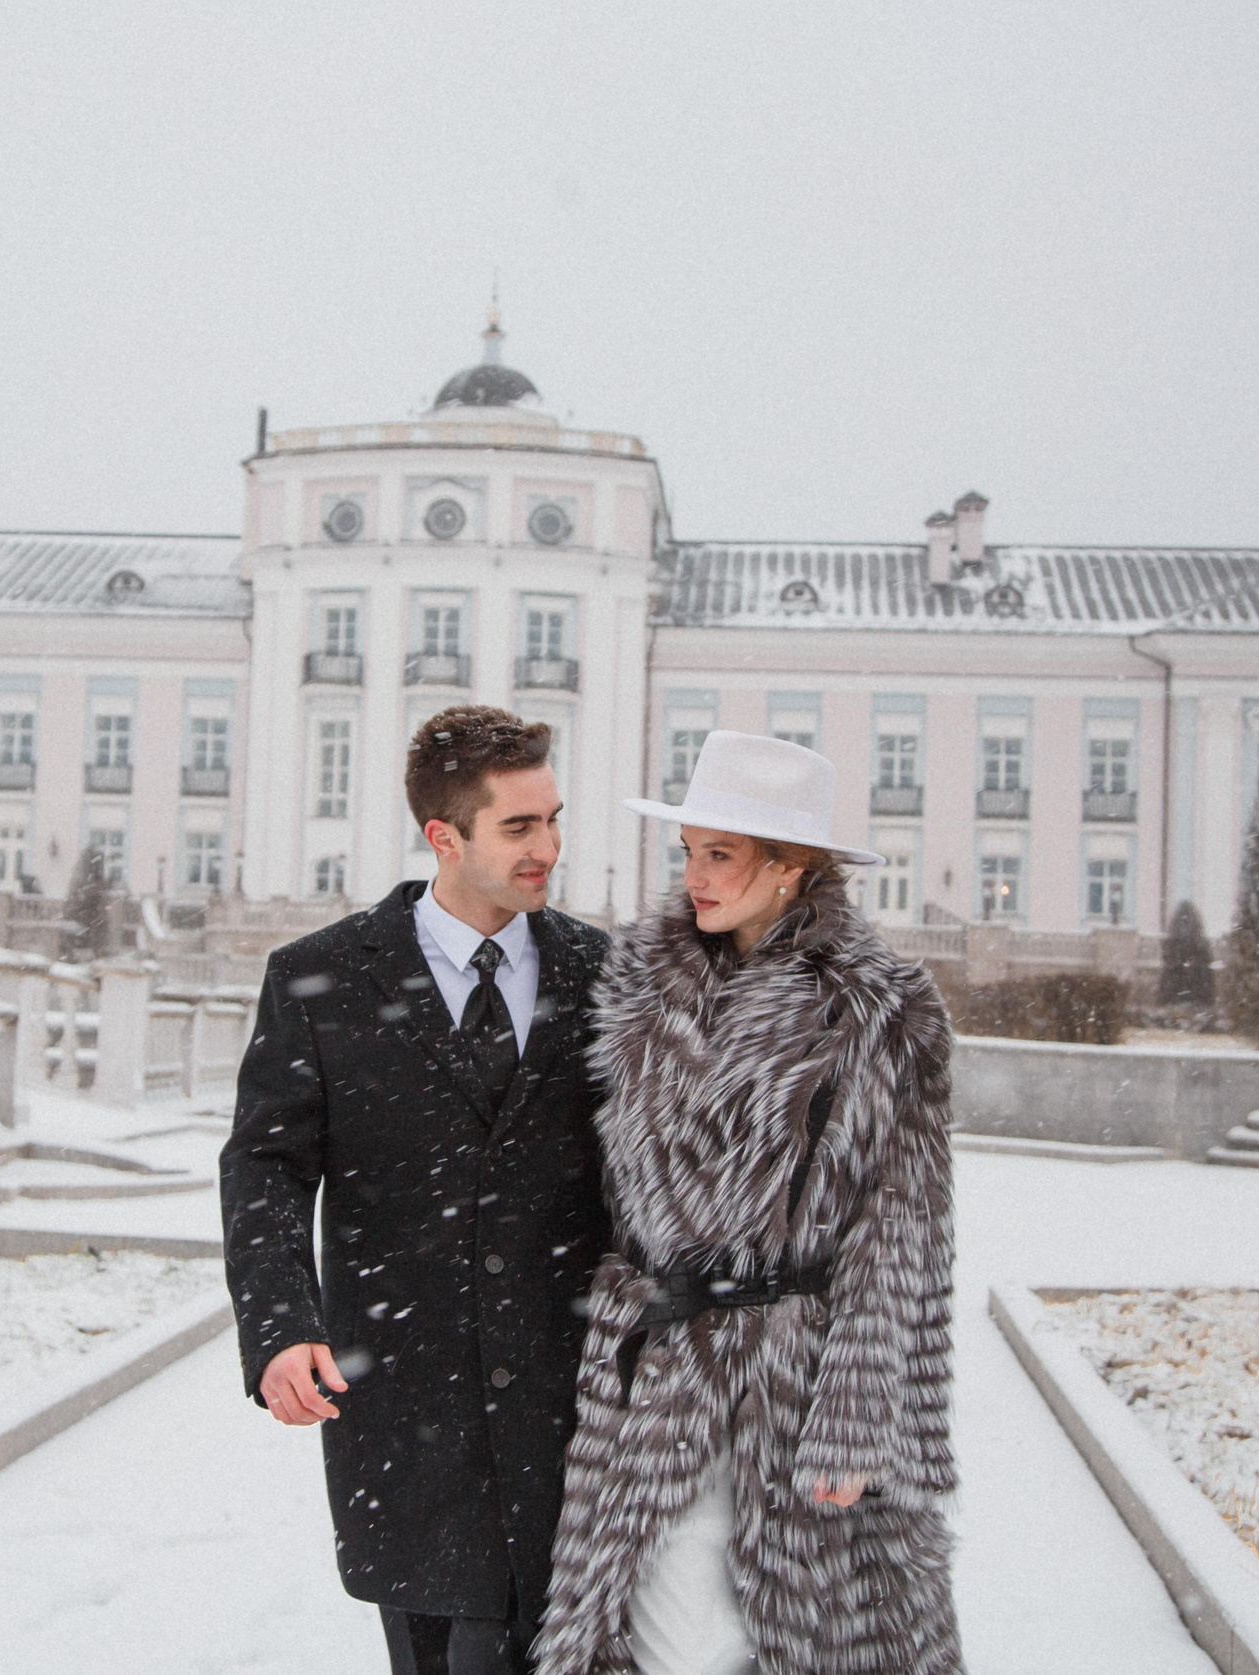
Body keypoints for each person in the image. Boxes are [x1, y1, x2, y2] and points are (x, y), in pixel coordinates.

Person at [532, 730, 962, 1675]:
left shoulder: (880, 1007)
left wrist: (856, 1417)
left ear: (792, 865)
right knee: (650, 1633)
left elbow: (902, 1232)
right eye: (688, 851)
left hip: (796, 1382)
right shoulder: (639, 981)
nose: (695, 875)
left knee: (770, 1637)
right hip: (654, 1377)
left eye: (719, 853)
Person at [220, 704, 613, 1675]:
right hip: (406, 1415)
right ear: (445, 835)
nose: (548, 849)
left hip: (575, 1416)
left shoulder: (609, 977)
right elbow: (264, 1163)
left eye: (554, 819)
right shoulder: (319, 977)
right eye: (520, 827)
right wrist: (279, 1325)